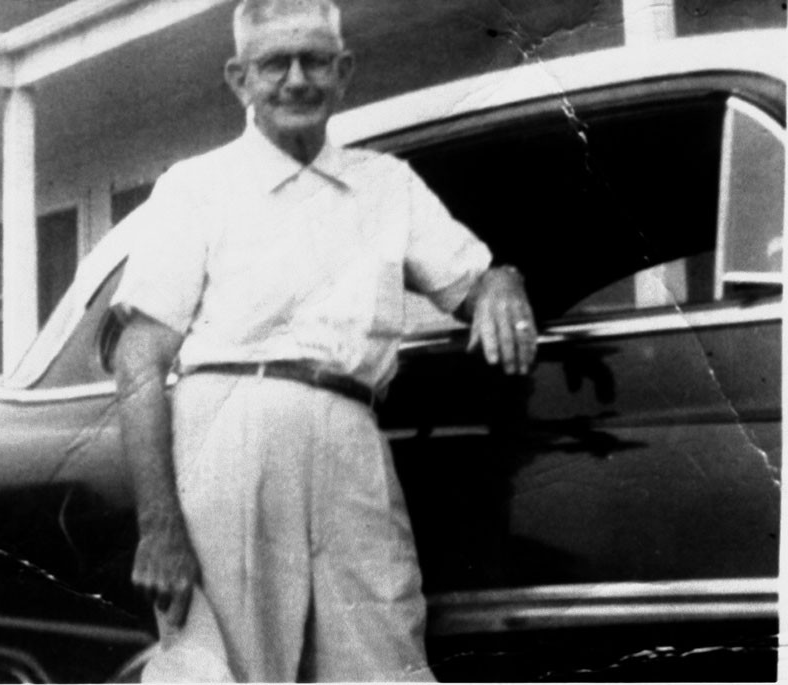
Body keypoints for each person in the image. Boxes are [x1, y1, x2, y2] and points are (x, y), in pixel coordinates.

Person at [110, 0, 537, 680]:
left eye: (315, 60)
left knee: (384, 653)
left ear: (344, 74)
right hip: (227, 435)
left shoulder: (387, 184)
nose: (297, 79)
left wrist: (502, 280)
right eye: (275, 62)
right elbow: (140, 355)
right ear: (239, 79)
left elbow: (471, 282)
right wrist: (159, 522)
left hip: (350, 435)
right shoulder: (196, 186)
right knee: (222, 669)